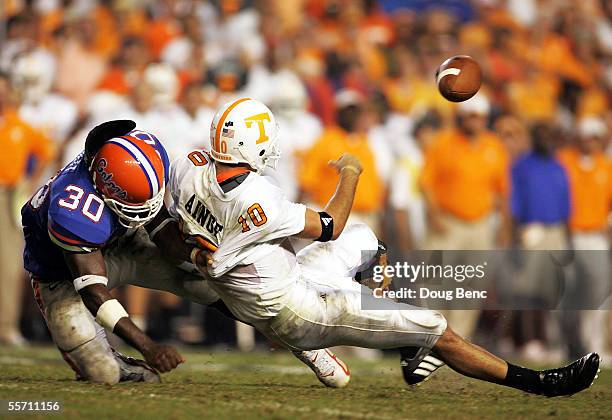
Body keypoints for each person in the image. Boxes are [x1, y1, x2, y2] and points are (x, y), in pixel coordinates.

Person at [165, 98, 600, 397]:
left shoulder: (189, 167)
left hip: (282, 274)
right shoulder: (258, 198)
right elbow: (330, 224)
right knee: (437, 326)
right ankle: (541, 383)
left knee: (369, 239)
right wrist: (350, 172)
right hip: (300, 310)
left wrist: (197, 254)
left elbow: (172, 222)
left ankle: (409, 350)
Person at [21, 120, 351, 387]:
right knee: (101, 372)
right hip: (64, 273)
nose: (146, 208)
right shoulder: (74, 210)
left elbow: (156, 222)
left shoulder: (136, 156)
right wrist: (147, 346)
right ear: (106, 192)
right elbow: (94, 292)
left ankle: (306, 347)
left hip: (124, 239)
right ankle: (122, 365)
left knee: (209, 283)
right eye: (134, 205)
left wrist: (194, 259)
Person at [0, 72, 55, 346]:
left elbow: (46, 150)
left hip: (7, 193)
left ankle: (7, 326)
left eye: (3, 89)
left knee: (8, 264)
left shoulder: (20, 125)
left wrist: (30, 182)